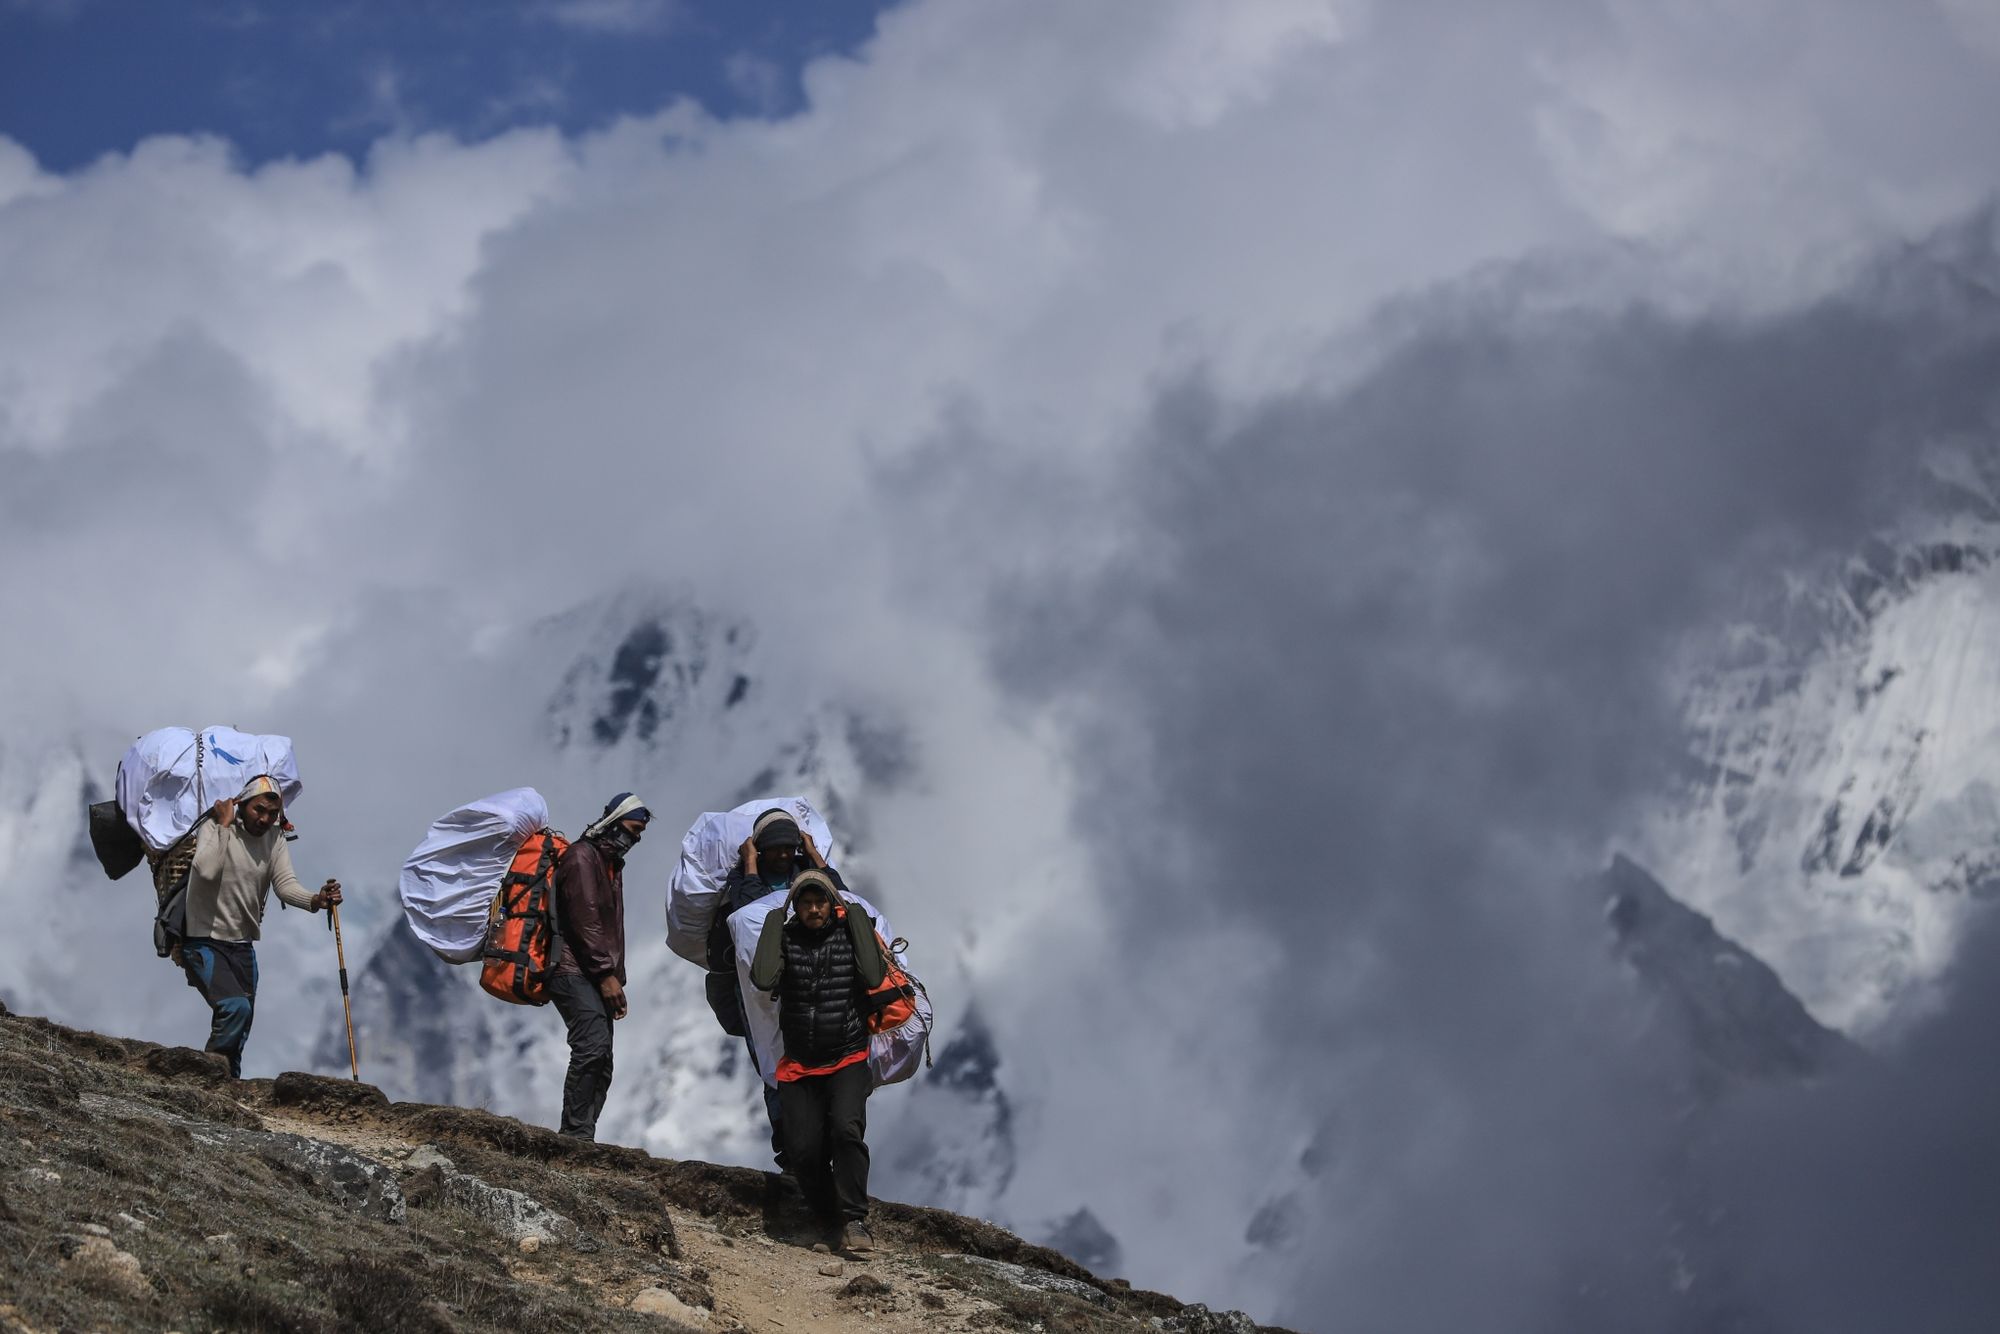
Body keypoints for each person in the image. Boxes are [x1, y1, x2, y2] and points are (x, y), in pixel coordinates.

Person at [749, 865, 889, 1254]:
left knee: (846, 1132)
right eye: (805, 903)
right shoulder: (786, 937)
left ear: (831, 904)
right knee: (803, 1150)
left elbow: (874, 973)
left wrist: (855, 913)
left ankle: (855, 1220)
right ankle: (829, 1223)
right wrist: (776, 921)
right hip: (800, 1064)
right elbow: (763, 978)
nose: (813, 910)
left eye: (820, 902)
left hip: (846, 1057)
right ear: (796, 907)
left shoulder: (850, 934)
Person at [181, 776, 343, 1078]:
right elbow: (206, 870)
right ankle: (207, 1078)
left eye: (272, 813)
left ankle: (227, 1087)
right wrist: (225, 825)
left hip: (242, 945)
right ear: (242, 804)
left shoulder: (275, 840)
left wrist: (316, 900)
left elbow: (284, 885)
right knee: (235, 1008)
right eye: (259, 810)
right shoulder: (214, 827)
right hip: (204, 940)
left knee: (241, 1026)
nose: (265, 818)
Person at [707, 810, 820, 1162]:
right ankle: (789, 1146)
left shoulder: (807, 876)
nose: (784, 854)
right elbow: (750, 911)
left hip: (810, 981)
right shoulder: (741, 881)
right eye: (775, 848)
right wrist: (751, 864)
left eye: (789, 847)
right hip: (758, 989)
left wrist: (813, 856)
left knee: (816, 1062)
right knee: (776, 1064)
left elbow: (840, 896)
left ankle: (818, 1146)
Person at [549, 791, 651, 1140]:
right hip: (571, 968)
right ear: (612, 821)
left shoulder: (607, 864)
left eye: (639, 834)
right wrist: (606, 975)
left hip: (590, 971)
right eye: (632, 829)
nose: (633, 839)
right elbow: (584, 920)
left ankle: (582, 1135)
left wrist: (611, 976)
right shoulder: (582, 858)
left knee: (601, 1058)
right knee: (591, 1047)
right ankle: (573, 1137)